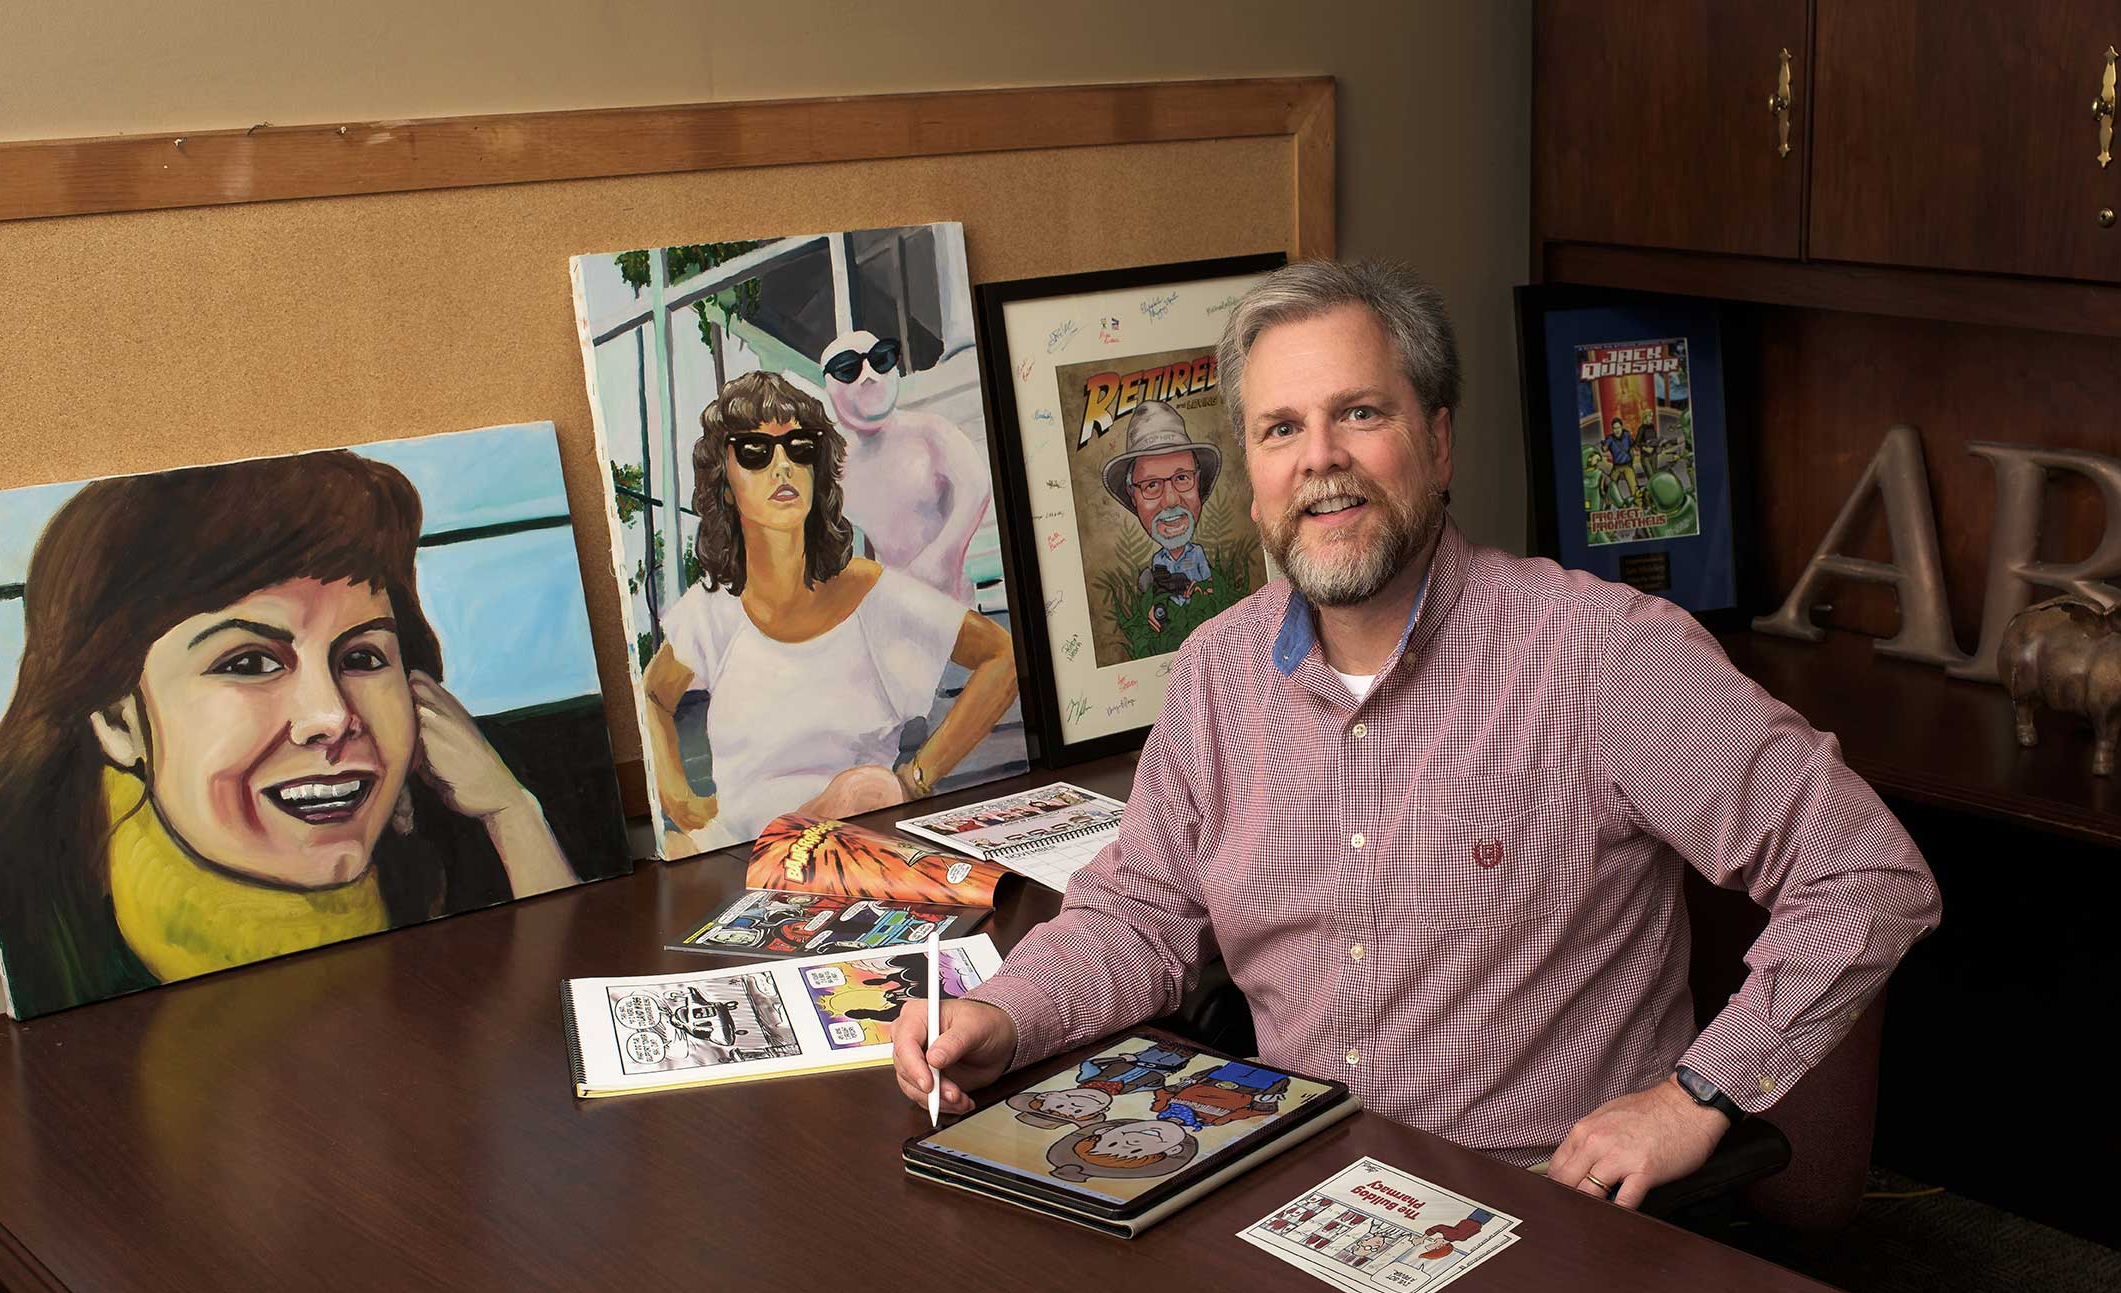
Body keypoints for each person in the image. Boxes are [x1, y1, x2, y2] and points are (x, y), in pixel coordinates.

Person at [895, 259, 1940, 1208]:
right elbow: (1142, 910)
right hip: (1292, 1193)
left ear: (1438, 443)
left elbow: (1865, 874)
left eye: (1359, 413)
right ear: (1251, 473)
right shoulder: (1218, 671)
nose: (1321, 462)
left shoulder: (1607, 656)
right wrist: (1006, 1012)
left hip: (1540, 1216)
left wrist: (1694, 1094)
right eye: (1280, 429)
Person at [0, 450, 579, 1018]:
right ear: (117, 723)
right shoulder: (45, 925)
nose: (332, 716)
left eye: (364, 657)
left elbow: (590, 1014)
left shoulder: (459, 830)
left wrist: (514, 817)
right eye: (248, 663)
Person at [643, 370, 1017, 853]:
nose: (782, 466)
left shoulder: (871, 593)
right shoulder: (712, 610)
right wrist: (676, 796)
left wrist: (918, 777)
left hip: (854, 849)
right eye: (756, 452)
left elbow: (1003, 657)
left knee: (865, 790)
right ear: (725, 484)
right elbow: (652, 694)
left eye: (799, 448)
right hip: (739, 855)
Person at [821, 330, 991, 607]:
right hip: (889, 613)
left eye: (881, 359)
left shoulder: (930, 431)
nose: (868, 375)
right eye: (848, 368)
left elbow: (977, 486)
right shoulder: (834, 465)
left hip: (951, 608)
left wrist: (938, 556)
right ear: (829, 385)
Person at [1101, 399, 1221, 628]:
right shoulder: (1158, 562)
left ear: (1197, 482)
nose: (1170, 501)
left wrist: (1199, 591)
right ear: (1132, 494)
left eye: (1182, 478)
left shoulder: (1197, 555)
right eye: (1151, 484)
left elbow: (1211, 588)